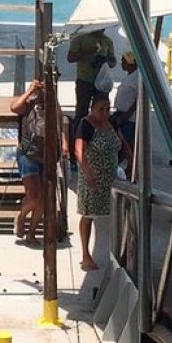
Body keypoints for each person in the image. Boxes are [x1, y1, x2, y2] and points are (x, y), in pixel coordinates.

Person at [75, 92, 128, 270]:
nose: (104, 113)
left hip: (112, 177)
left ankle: (121, 253)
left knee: (119, 214)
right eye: (101, 110)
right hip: (93, 178)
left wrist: (133, 162)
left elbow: (123, 143)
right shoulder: (86, 125)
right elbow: (79, 152)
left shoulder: (111, 123)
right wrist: (89, 173)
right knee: (89, 215)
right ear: (92, 109)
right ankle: (85, 254)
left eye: (107, 109)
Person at [10, 79, 63, 243]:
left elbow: (60, 123)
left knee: (43, 199)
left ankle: (32, 232)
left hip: (47, 155)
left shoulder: (53, 105)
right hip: (28, 154)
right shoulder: (28, 103)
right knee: (33, 196)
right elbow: (14, 108)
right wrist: (30, 91)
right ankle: (21, 216)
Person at [67, 27, 116, 125]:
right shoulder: (80, 38)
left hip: (101, 82)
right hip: (85, 80)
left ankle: (99, 134)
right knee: (82, 110)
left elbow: (113, 62)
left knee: (101, 110)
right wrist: (87, 52)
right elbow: (70, 58)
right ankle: (79, 134)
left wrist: (104, 60)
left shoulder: (107, 41)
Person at [113, 50, 139, 164]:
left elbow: (138, 100)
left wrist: (126, 115)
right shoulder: (129, 76)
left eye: (123, 61)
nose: (121, 64)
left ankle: (131, 167)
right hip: (121, 113)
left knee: (127, 143)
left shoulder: (137, 77)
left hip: (129, 117)